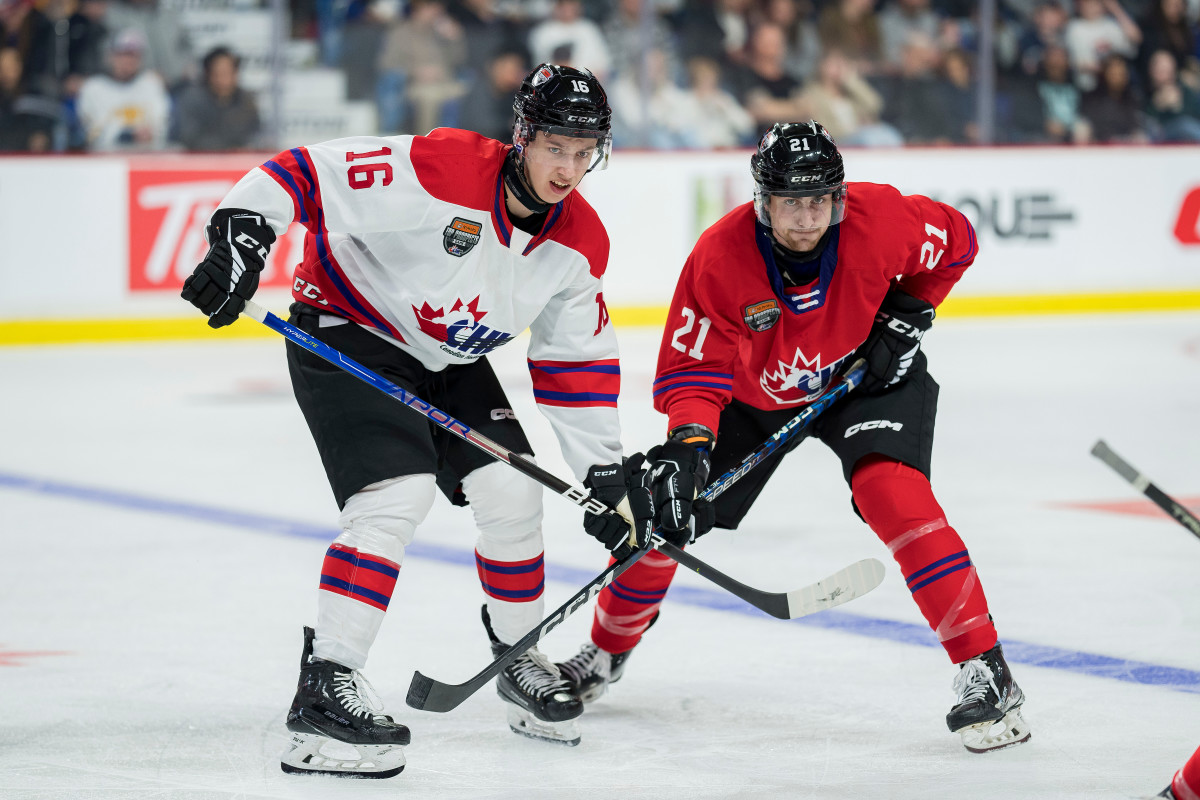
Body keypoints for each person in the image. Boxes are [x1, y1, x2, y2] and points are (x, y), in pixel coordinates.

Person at [180, 63, 653, 778]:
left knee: (513, 495)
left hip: (448, 359)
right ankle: (323, 690)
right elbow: (305, 171)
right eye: (557, 146)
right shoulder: (444, 168)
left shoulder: (579, 243)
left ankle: (518, 657)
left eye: (585, 152)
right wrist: (242, 238)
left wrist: (605, 475)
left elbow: (575, 366)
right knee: (393, 500)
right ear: (522, 137)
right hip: (349, 328)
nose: (570, 167)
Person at [557, 120, 1033, 755]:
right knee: (668, 512)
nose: (807, 218)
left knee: (894, 496)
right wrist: (690, 446)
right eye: (790, 203)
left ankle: (986, 670)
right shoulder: (722, 256)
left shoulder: (882, 219)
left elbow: (958, 242)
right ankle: (605, 652)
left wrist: (910, 312)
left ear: (837, 198)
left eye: (819, 201)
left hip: (867, 376)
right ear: (763, 201)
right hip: (754, 400)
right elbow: (694, 369)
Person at [175, 46, 261, 152]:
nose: (223, 78)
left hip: (240, 163)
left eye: (228, 71)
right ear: (208, 73)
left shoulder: (246, 101)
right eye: (218, 72)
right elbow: (190, 137)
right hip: (202, 162)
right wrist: (228, 148)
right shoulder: (193, 99)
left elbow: (257, 134)